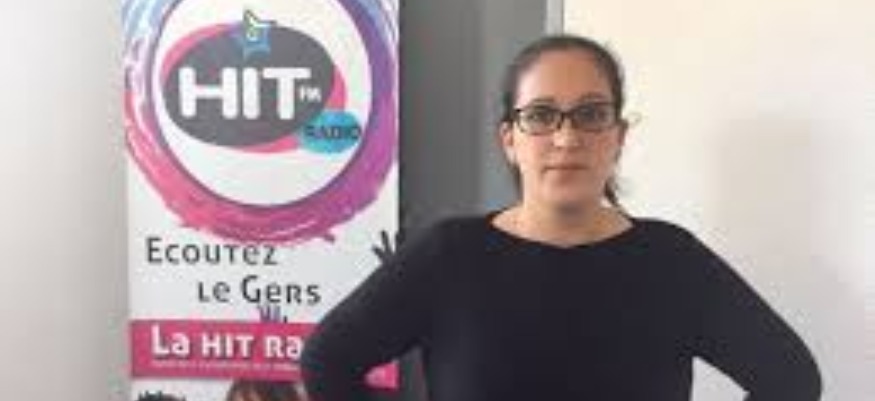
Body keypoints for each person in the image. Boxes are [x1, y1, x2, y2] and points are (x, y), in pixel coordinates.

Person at [300, 34, 822, 401]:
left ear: (618, 136)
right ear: (510, 139)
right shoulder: (449, 255)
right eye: (541, 115)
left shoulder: (671, 261)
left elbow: (791, 380)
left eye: (591, 114)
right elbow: (327, 362)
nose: (567, 138)